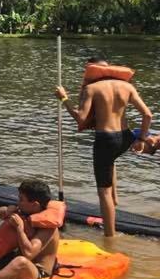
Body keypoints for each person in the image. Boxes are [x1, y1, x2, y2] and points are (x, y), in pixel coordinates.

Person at [56, 57, 153, 236]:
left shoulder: (91, 88)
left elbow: (81, 119)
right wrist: (141, 139)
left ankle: (110, 236)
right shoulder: (127, 87)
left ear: (91, 71)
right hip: (125, 137)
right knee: (111, 162)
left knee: (103, 193)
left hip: (105, 140)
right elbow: (147, 115)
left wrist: (64, 99)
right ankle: (115, 202)